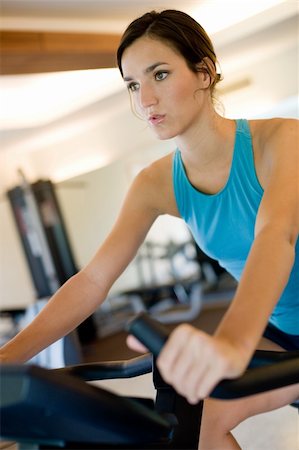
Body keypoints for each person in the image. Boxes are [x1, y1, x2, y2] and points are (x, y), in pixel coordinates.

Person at [1, 9, 298, 450]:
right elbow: (92, 281)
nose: (145, 101)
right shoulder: (155, 184)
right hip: (281, 328)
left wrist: (233, 342)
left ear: (204, 72)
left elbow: (276, 235)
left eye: (159, 74)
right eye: (134, 85)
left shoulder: (280, 141)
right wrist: (6, 361)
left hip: (253, 331)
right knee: (199, 424)